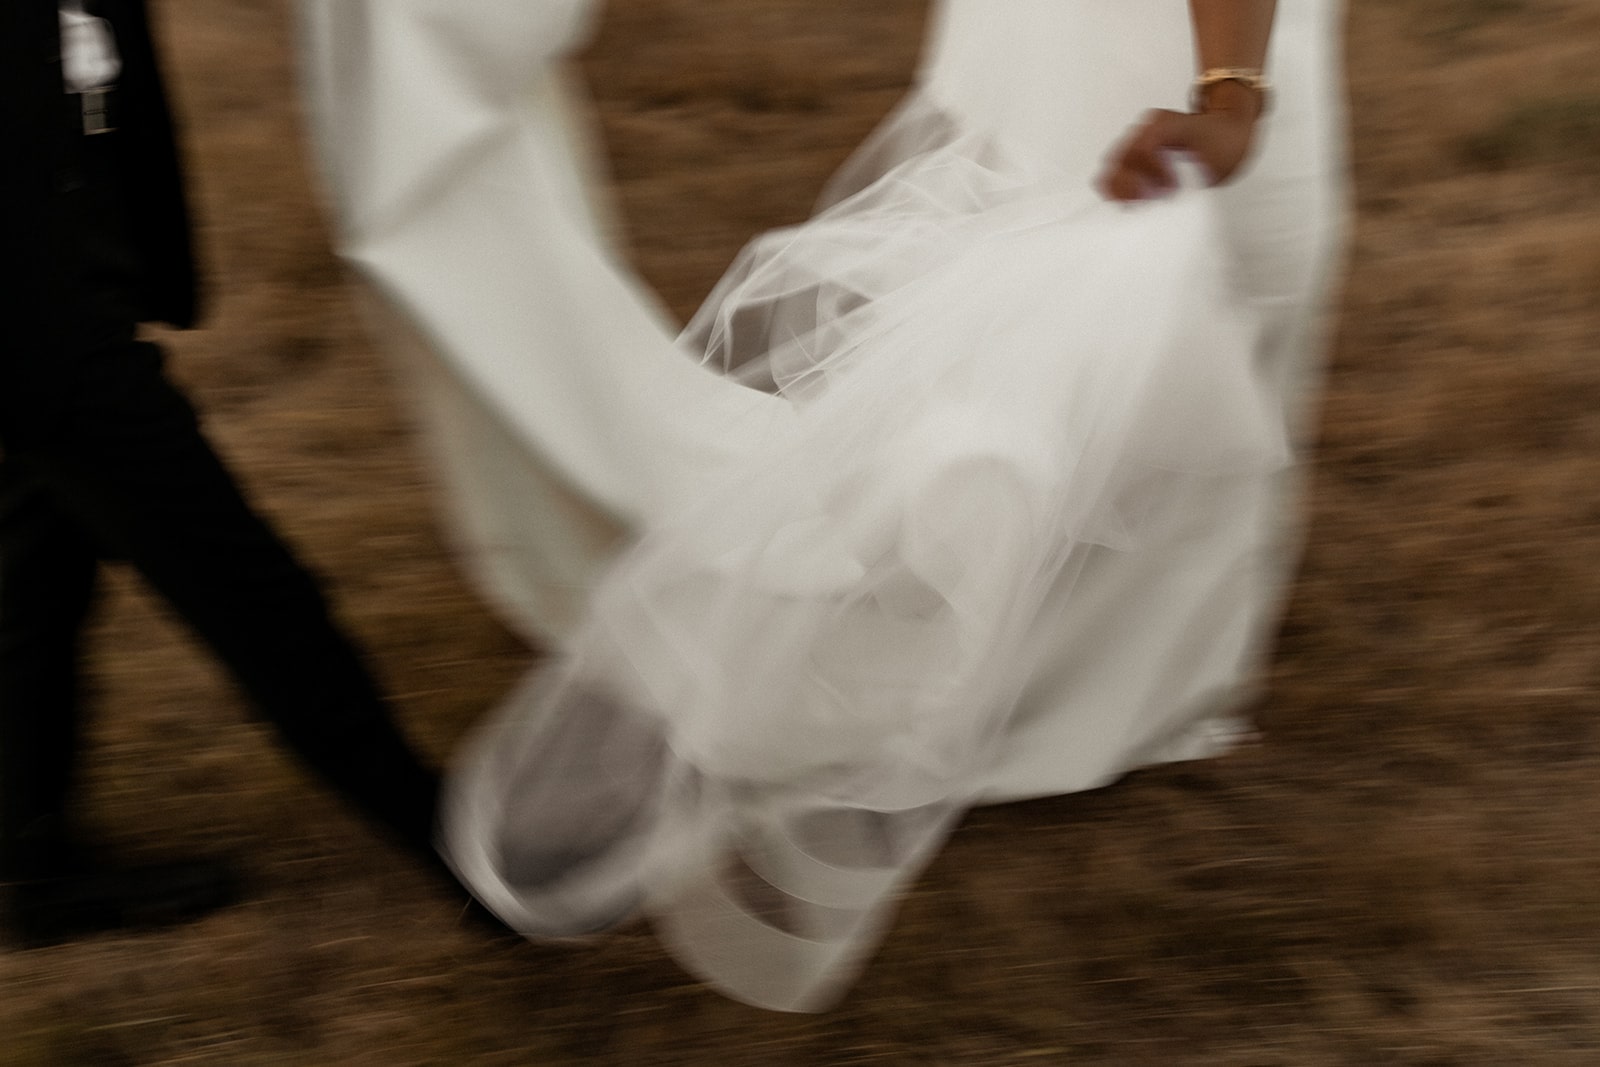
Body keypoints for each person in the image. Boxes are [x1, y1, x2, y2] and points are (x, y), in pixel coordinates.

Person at [303, 0, 1346, 1011]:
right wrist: (1231, 94)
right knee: (1075, 404)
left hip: (1117, 74)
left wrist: (1229, 90)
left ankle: (1096, 689)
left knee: (1080, 399)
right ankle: (1019, 685)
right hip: (1152, 85)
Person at [0, 0, 447, 946]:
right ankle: (455, 843)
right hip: (28, 315)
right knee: (241, 578)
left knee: (40, 559)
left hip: (65, 240)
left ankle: (28, 859)